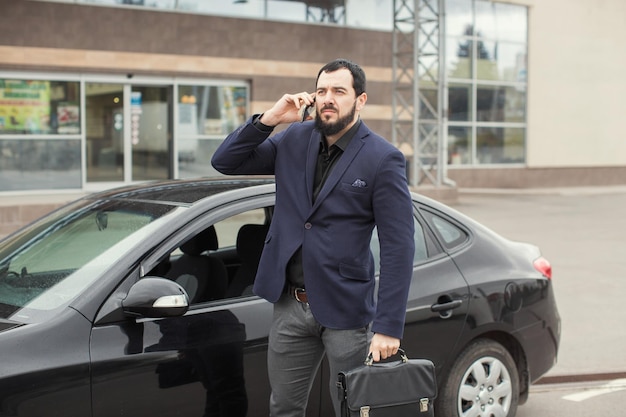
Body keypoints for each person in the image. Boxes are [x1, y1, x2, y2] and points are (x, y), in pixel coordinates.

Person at [211, 58, 415, 417]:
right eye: (321, 90)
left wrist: (388, 327)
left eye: (339, 90)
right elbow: (226, 161)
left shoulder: (383, 159)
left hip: (346, 311)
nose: (327, 98)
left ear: (360, 100)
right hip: (289, 305)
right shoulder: (293, 138)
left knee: (354, 408)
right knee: (284, 408)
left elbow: (399, 247)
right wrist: (270, 119)